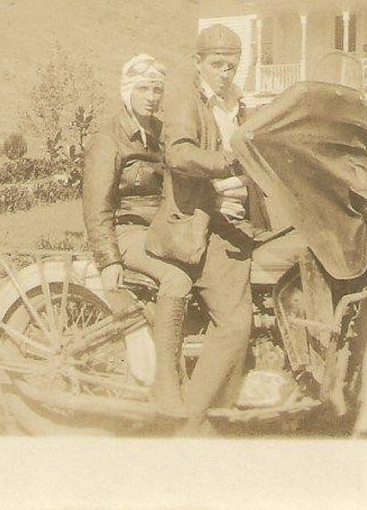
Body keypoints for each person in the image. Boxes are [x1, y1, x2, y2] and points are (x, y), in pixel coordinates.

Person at [150, 24, 269, 432]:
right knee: (236, 324)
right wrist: (226, 161)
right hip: (202, 224)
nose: (225, 72)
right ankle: (189, 423)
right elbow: (178, 153)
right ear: (197, 62)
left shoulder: (237, 102)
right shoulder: (187, 98)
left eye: (232, 66)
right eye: (218, 64)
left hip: (237, 218)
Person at [82, 53, 194, 418]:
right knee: (176, 280)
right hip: (129, 232)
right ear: (127, 90)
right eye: (143, 88)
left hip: (163, 230)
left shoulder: (162, 134)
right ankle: (164, 384)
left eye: (157, 89)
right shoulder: (108, 138)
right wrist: (109, 258)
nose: (151, 96)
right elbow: (96, 204)